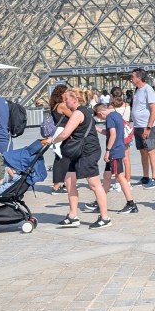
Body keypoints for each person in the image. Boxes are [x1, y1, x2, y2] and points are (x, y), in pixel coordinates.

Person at [49, 88, 110, 228]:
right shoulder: (84, 111)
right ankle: (72, 215)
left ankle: (105, 217)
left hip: (87, 151)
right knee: (69, 181)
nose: (64, 102)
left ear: (75, 100)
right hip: (78, 152)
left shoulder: (78, 113)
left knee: (94, 184)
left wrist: (51, 141)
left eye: (66, 100)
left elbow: (65, 134)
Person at [93, 102, 138, 212]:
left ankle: (131, 203)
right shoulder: (117, 115)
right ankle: (100, 202)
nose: (101, 119)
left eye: (99, 117)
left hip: (114, 151)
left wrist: (108, 151)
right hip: (118, 148)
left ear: (101, 112)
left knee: (120, 176)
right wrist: (97, 129)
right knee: (107, 176)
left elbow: (112, 135)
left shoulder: (109, 118)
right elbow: (109, 133)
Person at [131, 69, 155, 188]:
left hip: (146, 126)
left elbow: (154, 109)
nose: (131, 79)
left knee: (151, 151)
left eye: (133, 77)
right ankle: (146, 176)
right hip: (138, 126)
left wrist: (148, 127)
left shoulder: (148, 90)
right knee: (142, 152)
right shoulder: (137, 90)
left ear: (139, 78)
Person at [48, 84, 73, 195]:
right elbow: (74, 116)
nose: (69, 93)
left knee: (62, 158)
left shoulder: (55, 105)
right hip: (63, 133)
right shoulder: (62, 106)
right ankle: (56, 186)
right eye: (67, 92)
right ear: (62, 94)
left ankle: (63, 183)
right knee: (61, 159)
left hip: (60, 133)